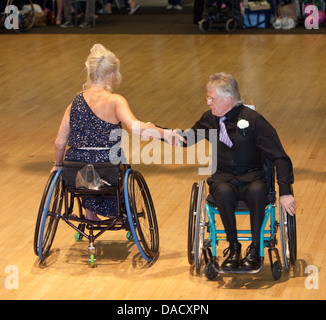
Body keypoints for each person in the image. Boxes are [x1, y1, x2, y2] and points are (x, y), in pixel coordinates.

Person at [51, 44, 183, 221]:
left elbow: (59, 143)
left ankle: (90, 212)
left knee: (84, 163)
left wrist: (58, 165)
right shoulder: (115, 101)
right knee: (117, 166)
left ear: (90, 74)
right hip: (107, 169)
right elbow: (136, 128)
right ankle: (119, 212)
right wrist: (164, 133)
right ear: (111, 76)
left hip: (76, 170)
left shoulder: (74, 103)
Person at [179, 72, 296, 271]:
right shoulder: (210, 119)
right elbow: (186, 139)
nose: (208, 102)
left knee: (259, 191)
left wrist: (285, 191)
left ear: (228, 99)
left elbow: (280, 157)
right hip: (224, 178)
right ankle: (233, 248)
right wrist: (159, 132)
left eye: (212, 98)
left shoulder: (254, 120)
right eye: (207, 98)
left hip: (252, 178)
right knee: (222, 192)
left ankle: (256, 249)